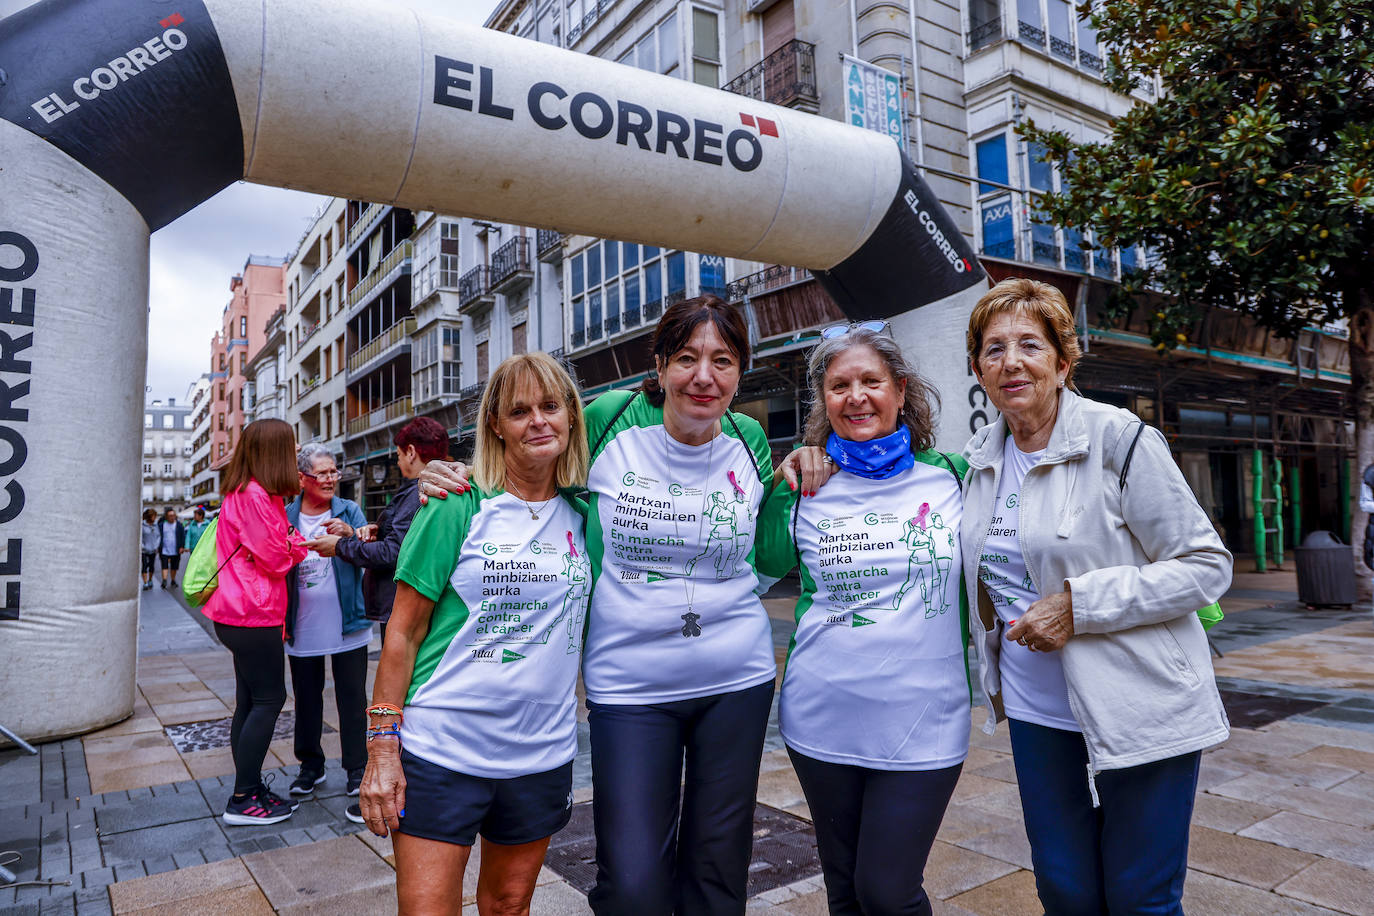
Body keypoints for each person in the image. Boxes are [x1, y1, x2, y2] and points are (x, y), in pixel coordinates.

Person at [420, 297, 780, 916]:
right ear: (661, 365)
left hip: (736, 680)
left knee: (720, 872)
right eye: (687, 358)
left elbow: (773, 541)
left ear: (741, 370)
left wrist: (811, 457)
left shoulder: (750, 439)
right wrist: (447, 474)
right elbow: (530, 442)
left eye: (723, 361)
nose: (704, 376)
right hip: (629, 686)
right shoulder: (610, 418)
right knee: (633, 884)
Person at [961, 278, 1232, 915]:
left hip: (1139, 698)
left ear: (1062, 360)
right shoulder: (979, 462)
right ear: (978, 369)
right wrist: (816, 459)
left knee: (1141, 898)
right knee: (1065, 890)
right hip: (1036, 710)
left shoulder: (1119, 439)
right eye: (994, 349)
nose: (1012, 361)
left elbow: (1205, 565)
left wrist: (1080, 606)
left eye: (1030, 344)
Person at [358, 352, 591, 915]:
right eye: (519, 411)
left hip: (539, 754)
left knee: (509, 906)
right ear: (496, 425)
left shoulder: (589, 513)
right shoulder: (455, 505)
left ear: (570, 417)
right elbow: (404, 633)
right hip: (443, 752)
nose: (537, 421)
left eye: (550, 407)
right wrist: (382, 748)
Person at [754, 322, 968, 915]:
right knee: (845, 891)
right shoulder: (801, 488)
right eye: (839, 385)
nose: (856, 397)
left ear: (900, 390)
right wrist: (783, 478)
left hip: (925, 719)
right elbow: (753, 565)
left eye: (871, 381)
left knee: (888, 892)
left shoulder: (954, 475)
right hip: (821, 719)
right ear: (823, 401)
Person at [201, 418, 309, 826]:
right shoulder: (255, 496)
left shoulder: (255, 493)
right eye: (291, 446)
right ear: (275, 451)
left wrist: (291, 543)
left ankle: (249, 788)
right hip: (252, 612)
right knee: (269, 700)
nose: (296, 453)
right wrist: (295, 546)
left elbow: (284, 542)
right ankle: (243, 798)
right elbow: (279, 556)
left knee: (250, 701)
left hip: (243, 611)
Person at [283, 444, 372, 804]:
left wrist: (349, 534)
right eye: (323, 473)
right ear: (303, 478)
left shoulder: (348, 510)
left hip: (348, 623)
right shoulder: (286, 515)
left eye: (334, 471)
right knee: (306, 699)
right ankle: (310, 766)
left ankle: (356, 768)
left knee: (352, 698)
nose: (332, 479)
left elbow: (371, 549)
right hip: (302, 625)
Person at [319, 417, 449, 647]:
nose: (398, 463)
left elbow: (394, 552)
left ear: (410, 452)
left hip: (404, 606)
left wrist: (339, 546)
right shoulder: (439, 489)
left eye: (398, 455)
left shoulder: (418, 493)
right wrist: (374, 533)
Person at [157, 507, 185, 589]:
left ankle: (173, 580)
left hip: (176, 550)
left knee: (174, 567)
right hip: (164, 549)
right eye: (170, 515)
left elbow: (182, 536)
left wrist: (182, 547)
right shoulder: (161, 525)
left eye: (173, 515)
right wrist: (157, 546)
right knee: (164, 565)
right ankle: (164, 580)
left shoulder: (179, 525)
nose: (172, 517)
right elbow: (158, 536)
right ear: (166, 516)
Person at [139, 508, 159, 591]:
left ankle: (150, 580)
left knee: (151, 566)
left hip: (153, 549)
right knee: (144, 566)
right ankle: (145, 582)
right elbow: (140, 537)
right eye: (154, 516)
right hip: (144, 550)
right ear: (150, 516)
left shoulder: (155, 525)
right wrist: (143, 546)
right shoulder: (142, 525)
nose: (155, 518)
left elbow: (158, 536)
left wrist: (156, 546)